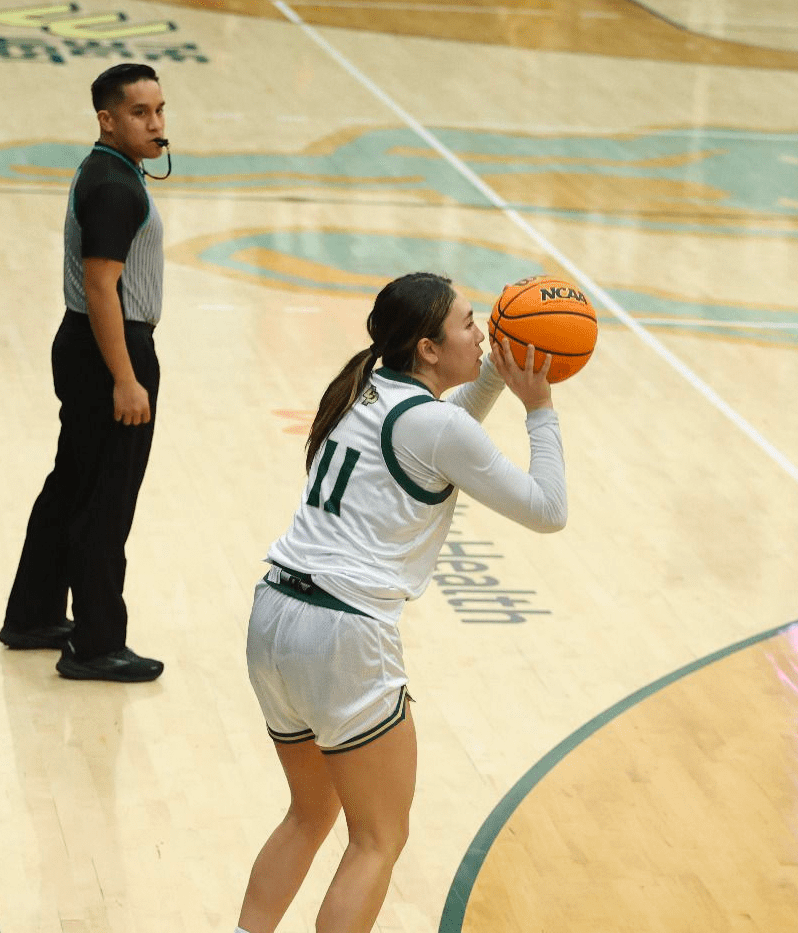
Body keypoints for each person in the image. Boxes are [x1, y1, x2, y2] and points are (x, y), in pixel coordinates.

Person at [235, 272, 566, 933]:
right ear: (428, 348)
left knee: (308, 814)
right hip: (342, 635)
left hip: (273, 613)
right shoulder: (435, 425)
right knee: (377, 840)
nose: (484, 331)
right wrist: (539, 407)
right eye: (470, 323)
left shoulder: (363, 387)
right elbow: (547, 509)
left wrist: (496, 373)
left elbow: (442, 429)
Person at [0, 63, 168, 682]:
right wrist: (126, 378)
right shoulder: (115, 187)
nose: (155, 125)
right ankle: (95, 644)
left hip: (84, 347)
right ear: (107, 119)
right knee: (107, 498)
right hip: (111, 349)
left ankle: (34, 614)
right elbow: (103, 288)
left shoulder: (107, 170)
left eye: (159, 111)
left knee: (72, 481)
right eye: (139, 113)